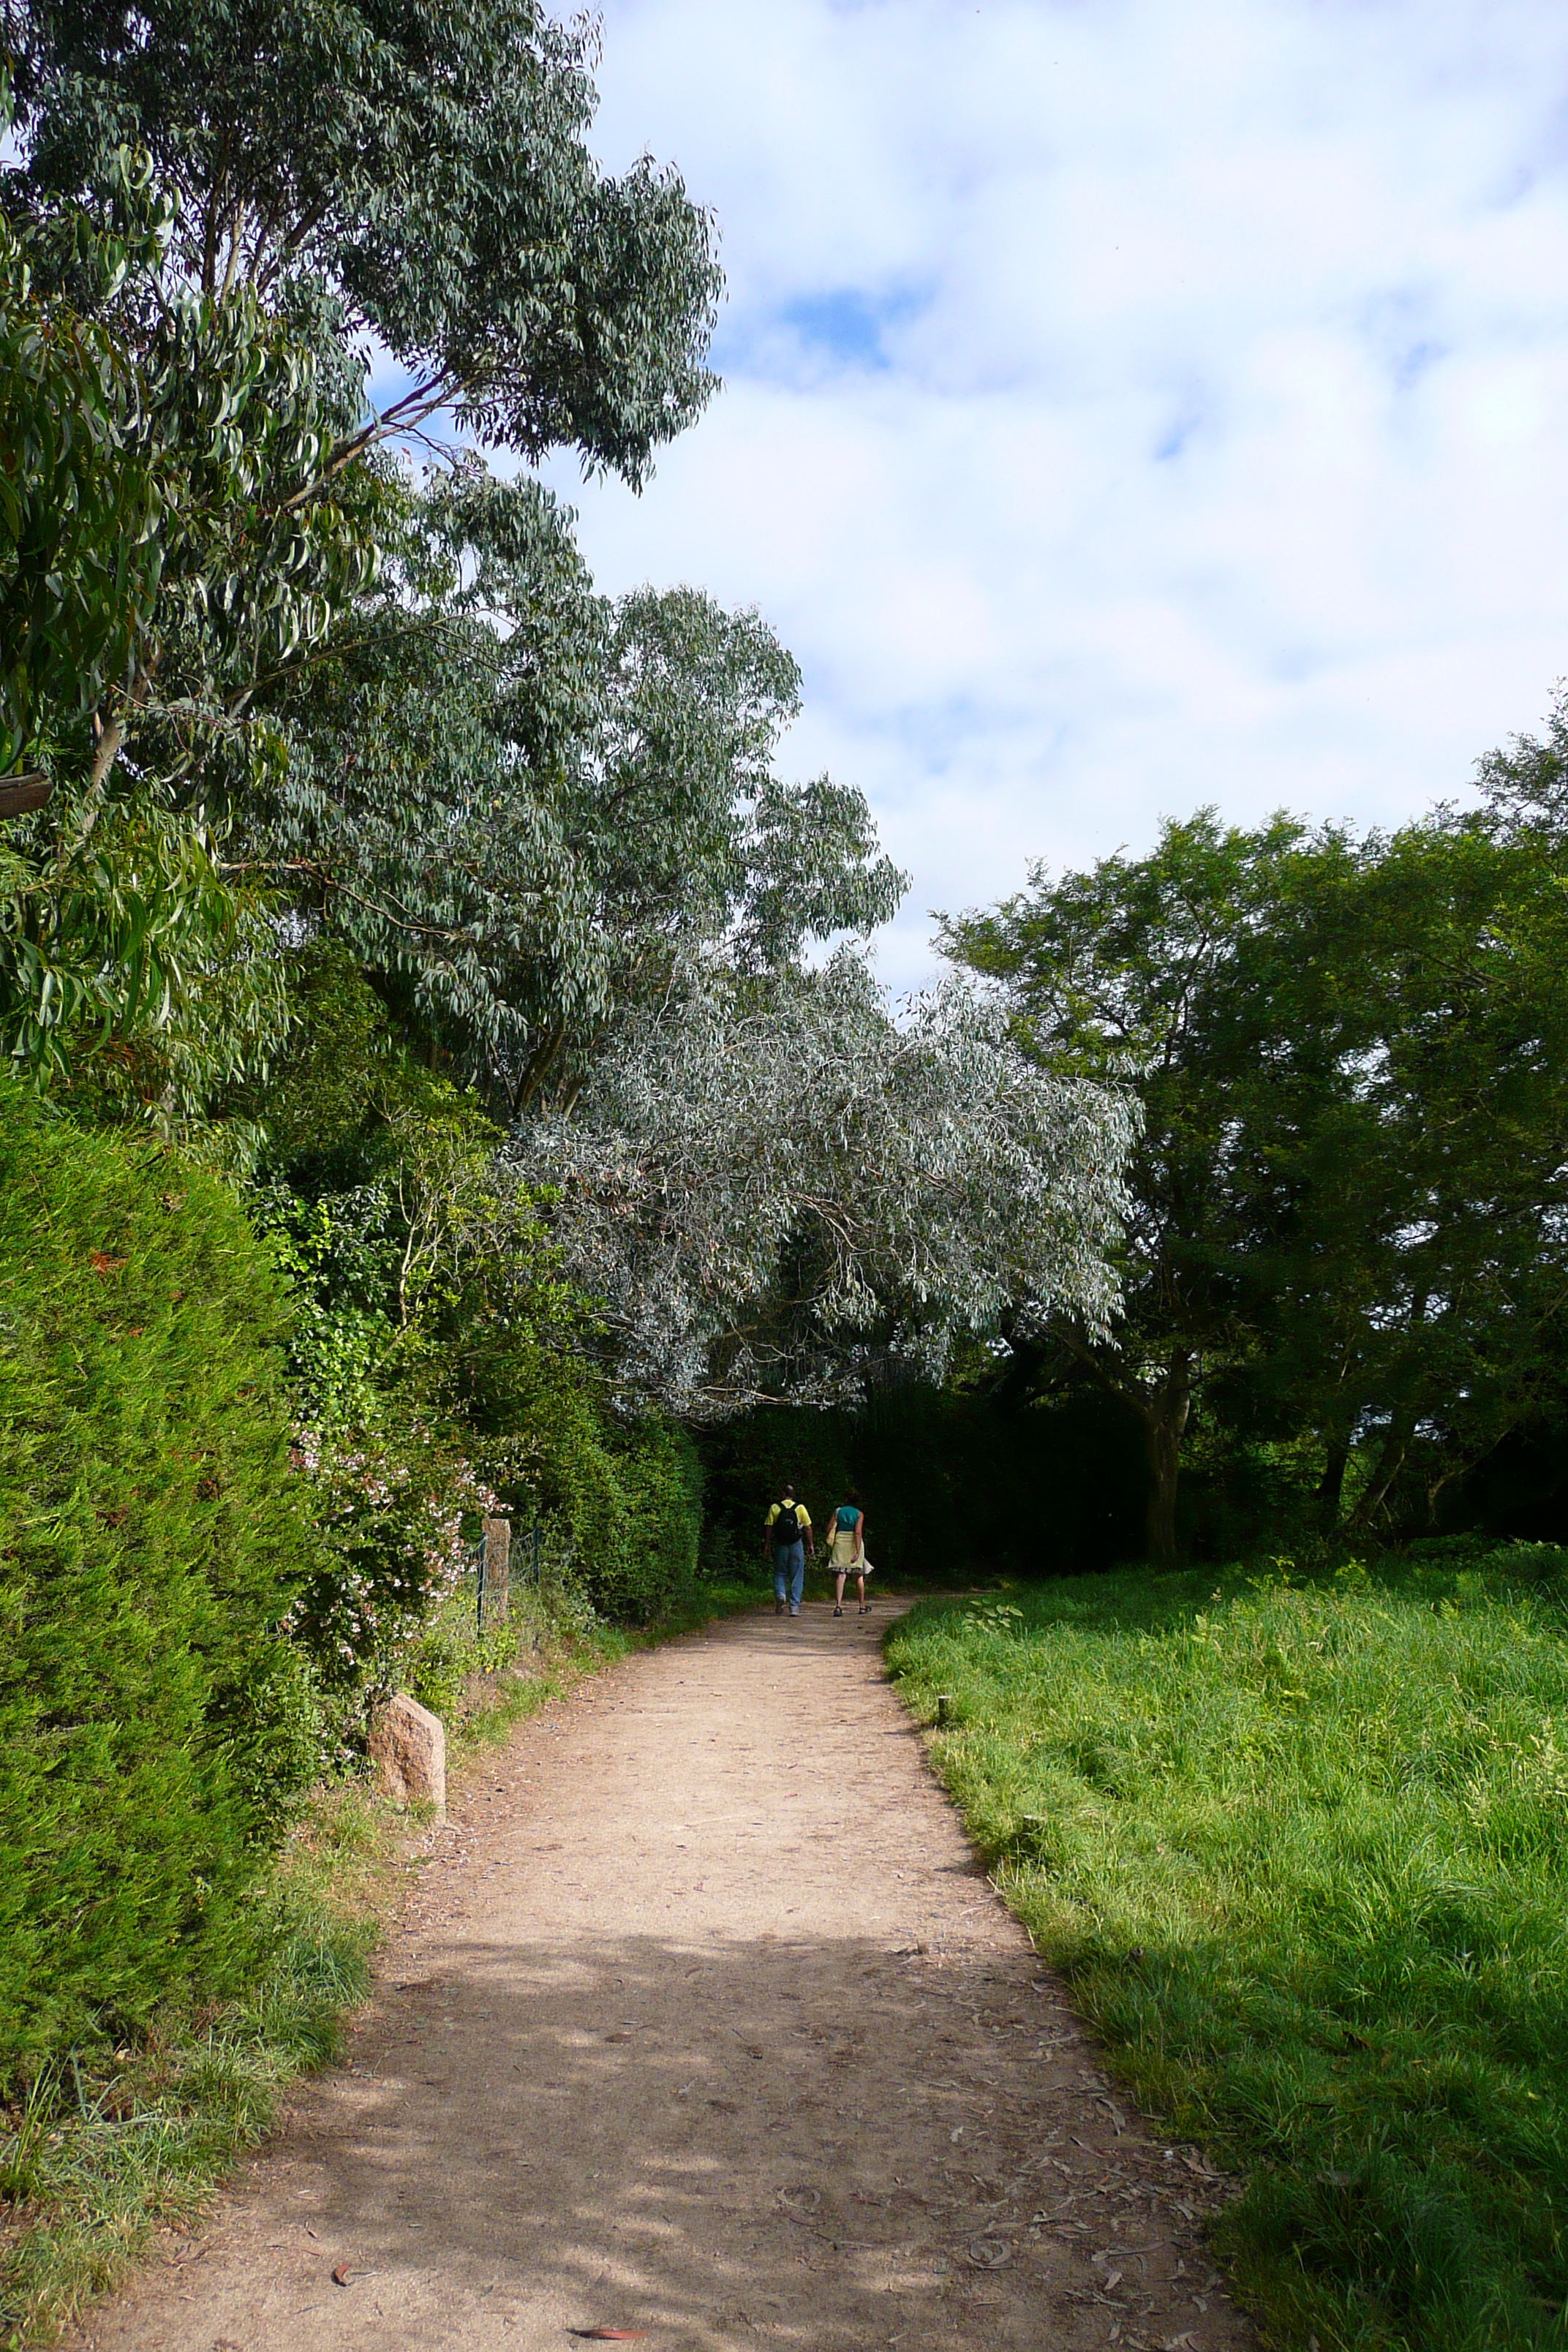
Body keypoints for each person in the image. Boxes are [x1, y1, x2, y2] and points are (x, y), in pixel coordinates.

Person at [764, 1482, 813, 1616]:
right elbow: (808, 1527)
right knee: (797, 1574)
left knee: (780, 1572)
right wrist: (811, 1545)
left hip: (781, 1544)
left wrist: (767, 1544)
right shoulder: (800, 1508)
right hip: (796, 1544)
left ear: (783, 1494)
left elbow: (769, 1526)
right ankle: (794, 1607)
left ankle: (780, 1595)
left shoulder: (775, 1507)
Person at [828, 1488, 871, 1616]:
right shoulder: (859, 1514)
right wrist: (858, 1551)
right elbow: (858, 1532)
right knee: (858, 1575)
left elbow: (829, 1528)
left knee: (841, 1575)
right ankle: (862, 1606)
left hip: (840, 1542)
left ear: (845, 1499)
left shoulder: (838, 1511)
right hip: (853, 1543)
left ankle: (838, 1606)